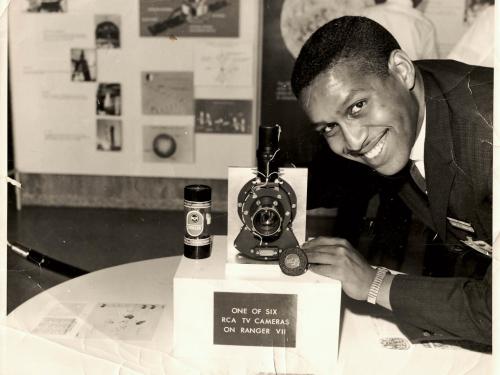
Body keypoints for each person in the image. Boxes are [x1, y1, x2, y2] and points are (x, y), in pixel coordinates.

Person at [291, 16, 492, 346]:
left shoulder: (488, 134)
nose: (353, 141)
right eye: (329, 128)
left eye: (357, 106)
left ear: (402, 70)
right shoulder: (404, 106)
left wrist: (373, 283)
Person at [361, 0, 439, 60]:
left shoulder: (366, 14)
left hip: (368, 77)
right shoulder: (424, 24)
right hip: (407, 77)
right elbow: (432, 67)